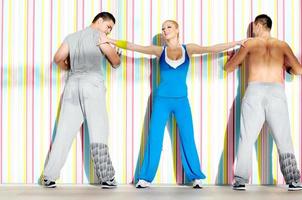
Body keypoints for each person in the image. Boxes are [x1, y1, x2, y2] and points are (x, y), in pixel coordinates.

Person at [99, 20, 246, 188]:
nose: (165, 30)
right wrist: (110, 41)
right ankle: (145, 177)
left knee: (188, 138)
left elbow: (211, 48)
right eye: (163, 28)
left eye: (169, 27)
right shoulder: (159, 51)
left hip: (182, 101)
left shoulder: (188, 49)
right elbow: (134, 47)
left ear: (177, 30)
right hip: (161, 100)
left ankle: (196, 176)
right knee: (154, 137)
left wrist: (236, 43)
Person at [42, 12, 121, 188]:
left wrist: (68, 66)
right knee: (98, 129)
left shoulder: (72, 37)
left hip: (72, 85)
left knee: (63, 132)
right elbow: (114, 62)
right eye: (108, 27)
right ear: (100, 21)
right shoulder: (100, 36)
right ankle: (107, 178)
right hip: (92, 84)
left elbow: (58, 58)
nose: (108, 31)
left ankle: (49, 176)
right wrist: (117, 57)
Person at [225, 14, 302, 191]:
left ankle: (240, 180)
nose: (252, 30)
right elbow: (298, 70)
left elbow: (229, 68)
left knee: (247, 137)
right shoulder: (282, 45)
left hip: (254, 90)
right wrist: (286, 67)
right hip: (276, 91)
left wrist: (235, 55)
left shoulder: (250, 44)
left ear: (260, 25)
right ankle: (294, 180)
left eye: (254, 26)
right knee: (284, 137)